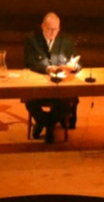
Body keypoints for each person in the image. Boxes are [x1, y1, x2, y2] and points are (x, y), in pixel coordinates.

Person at [23, 11, 80, 142]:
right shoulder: (31, 39)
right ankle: (49, 125)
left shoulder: (66, 40)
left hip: (60, 84)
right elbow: (29, 62)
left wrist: (73, 67)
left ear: (59, 28)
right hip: (38, 83)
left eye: (55, 29)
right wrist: (46, 68)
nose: (52, 33)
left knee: (66, 101)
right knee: (30, 101)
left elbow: (76, 62)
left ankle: (43, 124)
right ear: (42, 26)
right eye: (49, 29)